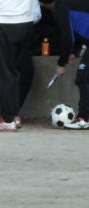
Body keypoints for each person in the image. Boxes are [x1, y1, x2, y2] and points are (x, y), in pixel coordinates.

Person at [39, 0, 89, 129]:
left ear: (41, 3)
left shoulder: (61, 10)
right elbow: (77, 32)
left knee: (83, 78)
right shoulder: (66, 6)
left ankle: (83, 118)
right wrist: (74, 53)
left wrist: (62, 64)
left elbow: (68, 39)